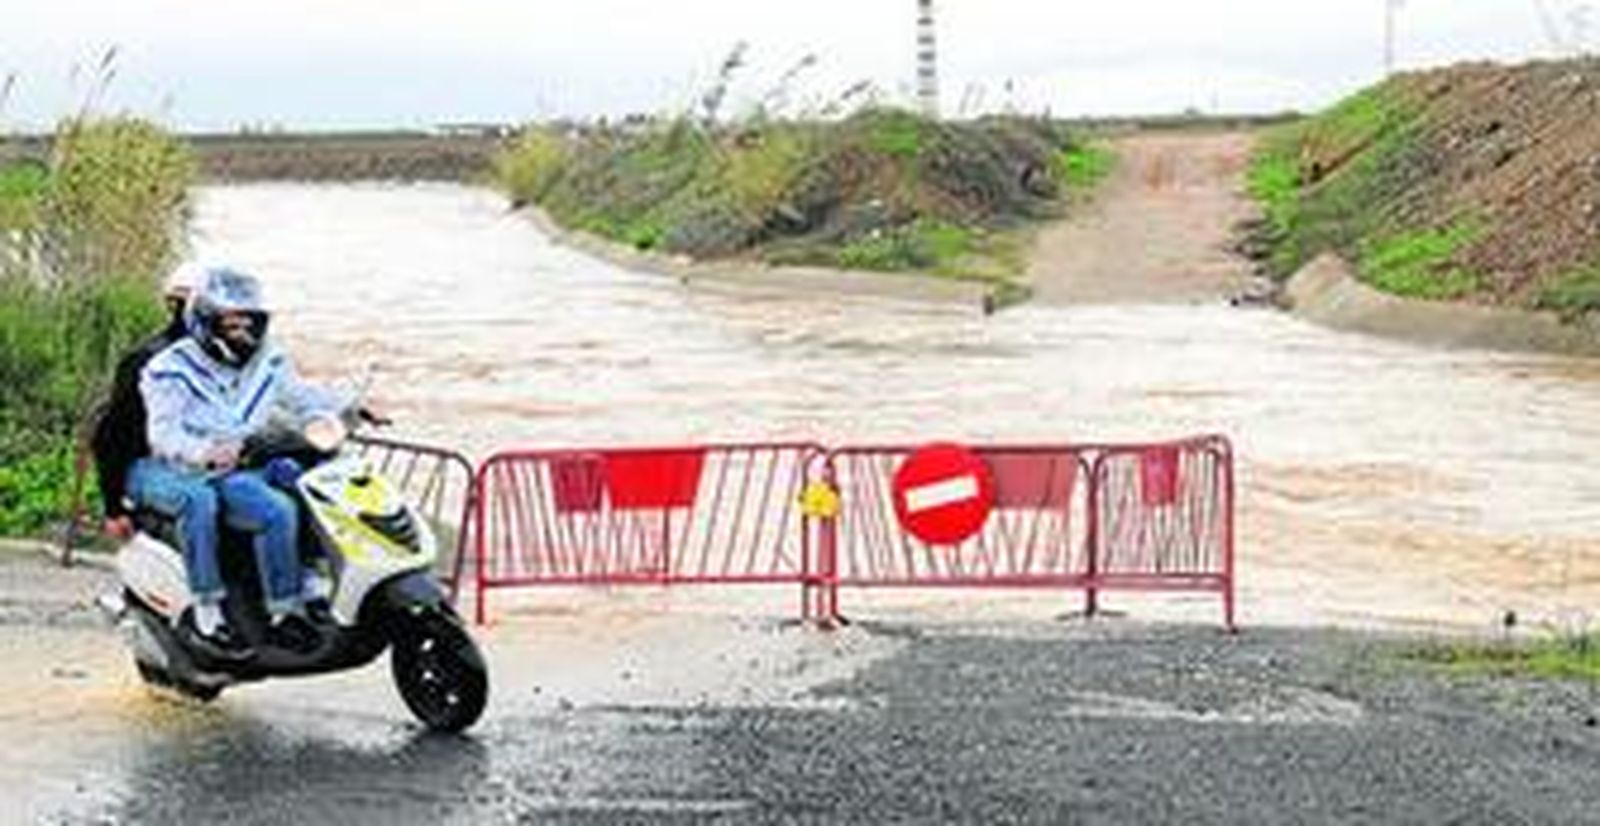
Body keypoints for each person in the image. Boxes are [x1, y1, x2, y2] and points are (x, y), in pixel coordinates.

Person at [141, 265, 342, 653]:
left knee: (304, 481)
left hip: (251, 458)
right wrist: (206, 452)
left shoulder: (265, 359)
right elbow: (162, 435)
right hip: (205, 472)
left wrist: (354, 405)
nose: (244, 332)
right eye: (232, 324)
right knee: (274, 510)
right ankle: (278, 614)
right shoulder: (169, 369)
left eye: (250, 323)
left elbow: (303, 397)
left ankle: (310, 579)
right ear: (204, 322)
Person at [92, 262, 254, 663]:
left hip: (197, 463)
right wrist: (113, 507)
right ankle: (207, 615)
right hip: (146, 467)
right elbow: (107, 437)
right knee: (198, 501)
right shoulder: (146, 360)